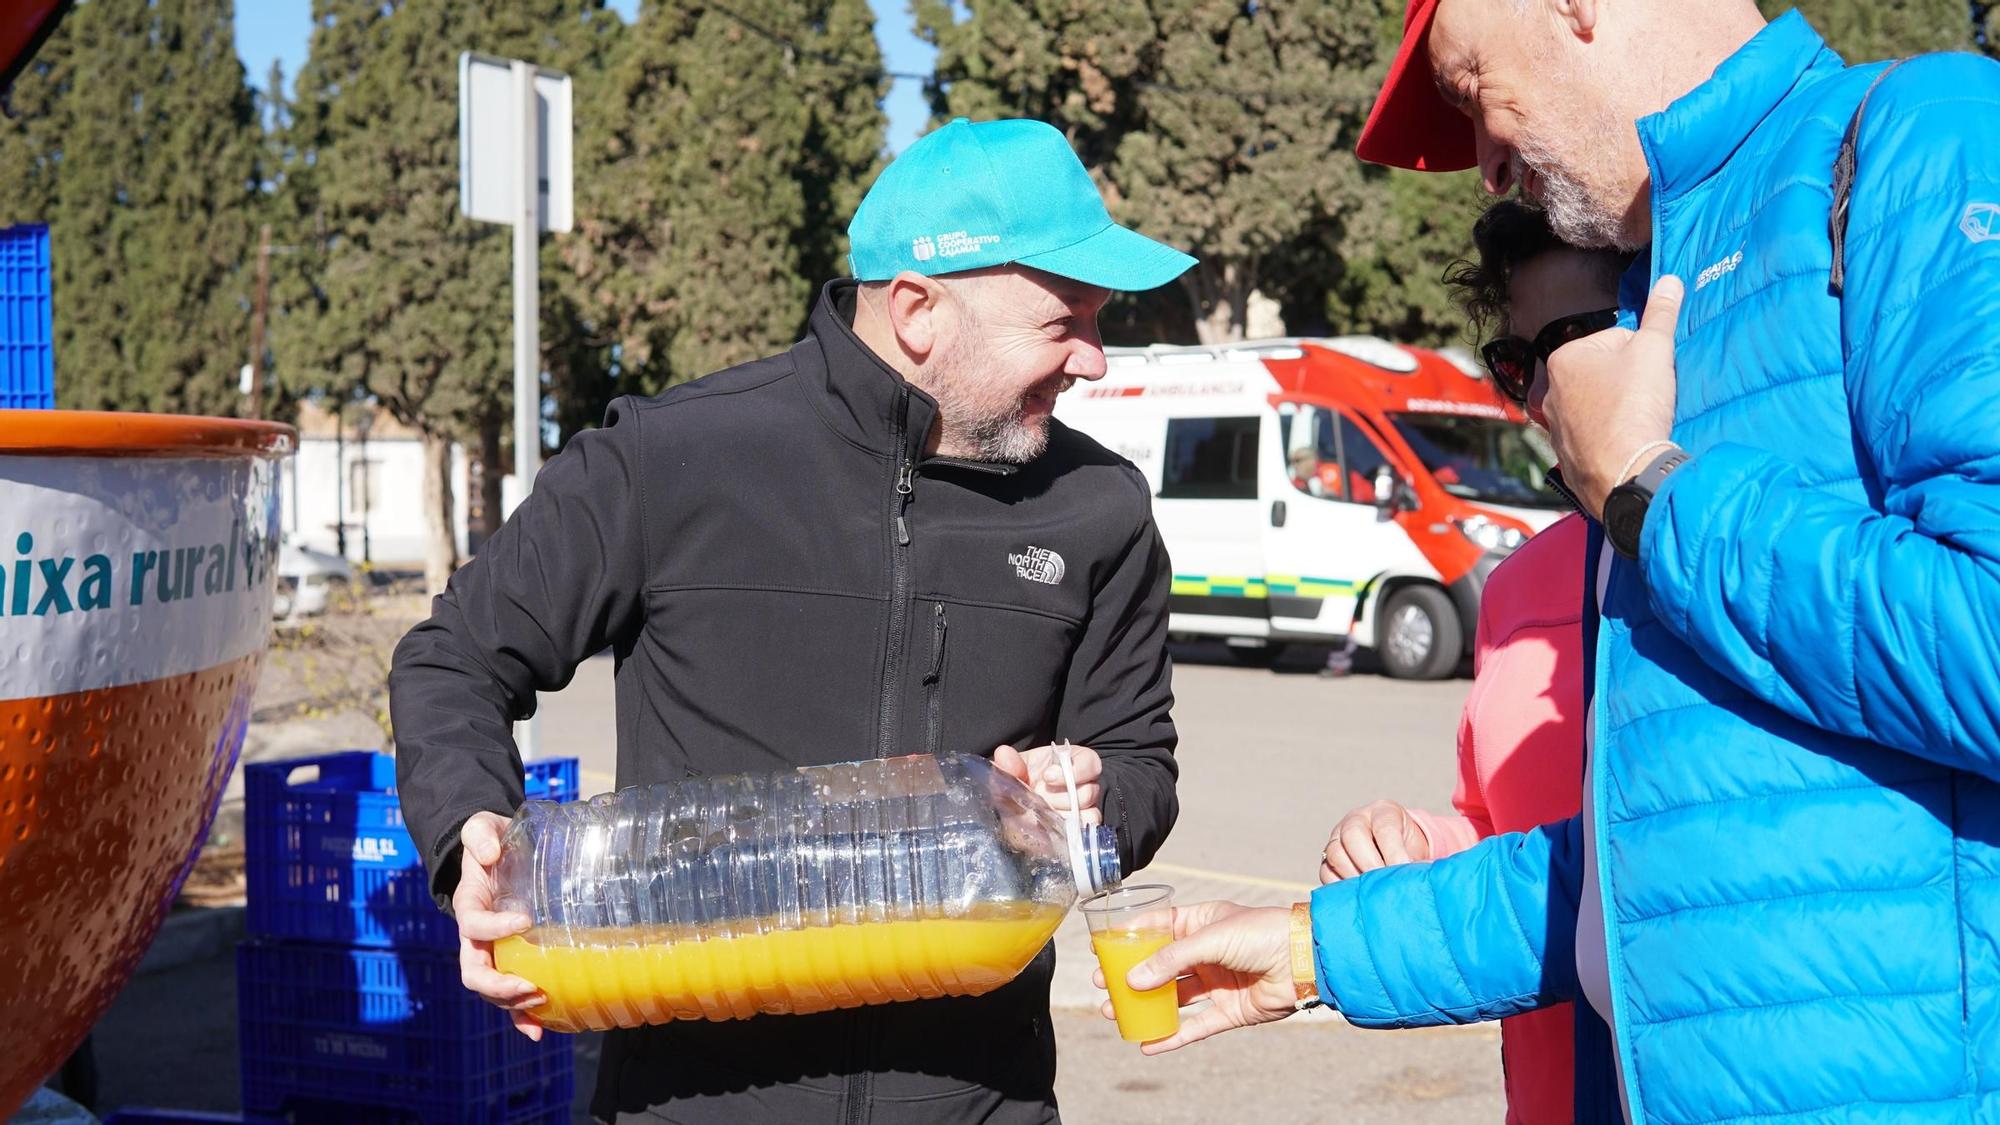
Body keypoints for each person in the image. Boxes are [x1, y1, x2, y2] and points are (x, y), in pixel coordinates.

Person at [1100, 3, 2000, 1122]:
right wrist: (1310, 950)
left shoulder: (1926, 131)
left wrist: (1642, 484)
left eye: (1472, 89)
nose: (1480, 168)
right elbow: (1647, 874)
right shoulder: (1658, 285)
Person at [389, 116, 1193, 1125]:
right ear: (916, 311)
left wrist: (1086, 802)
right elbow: (452, 658)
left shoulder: (1097, 507)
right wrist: (472, 840)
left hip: (979, 1098)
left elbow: (1138, 767)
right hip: (693, 1098)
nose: (1093, 360)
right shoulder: (672, 458)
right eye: (1061, 321)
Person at [1318, 199, 1629, 1124]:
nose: (1535, 399)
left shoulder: (1744, 549)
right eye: (1514, 363)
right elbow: (1501, 835)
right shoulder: (1518, 584)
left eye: (1566, 343)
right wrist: (1417, 845)